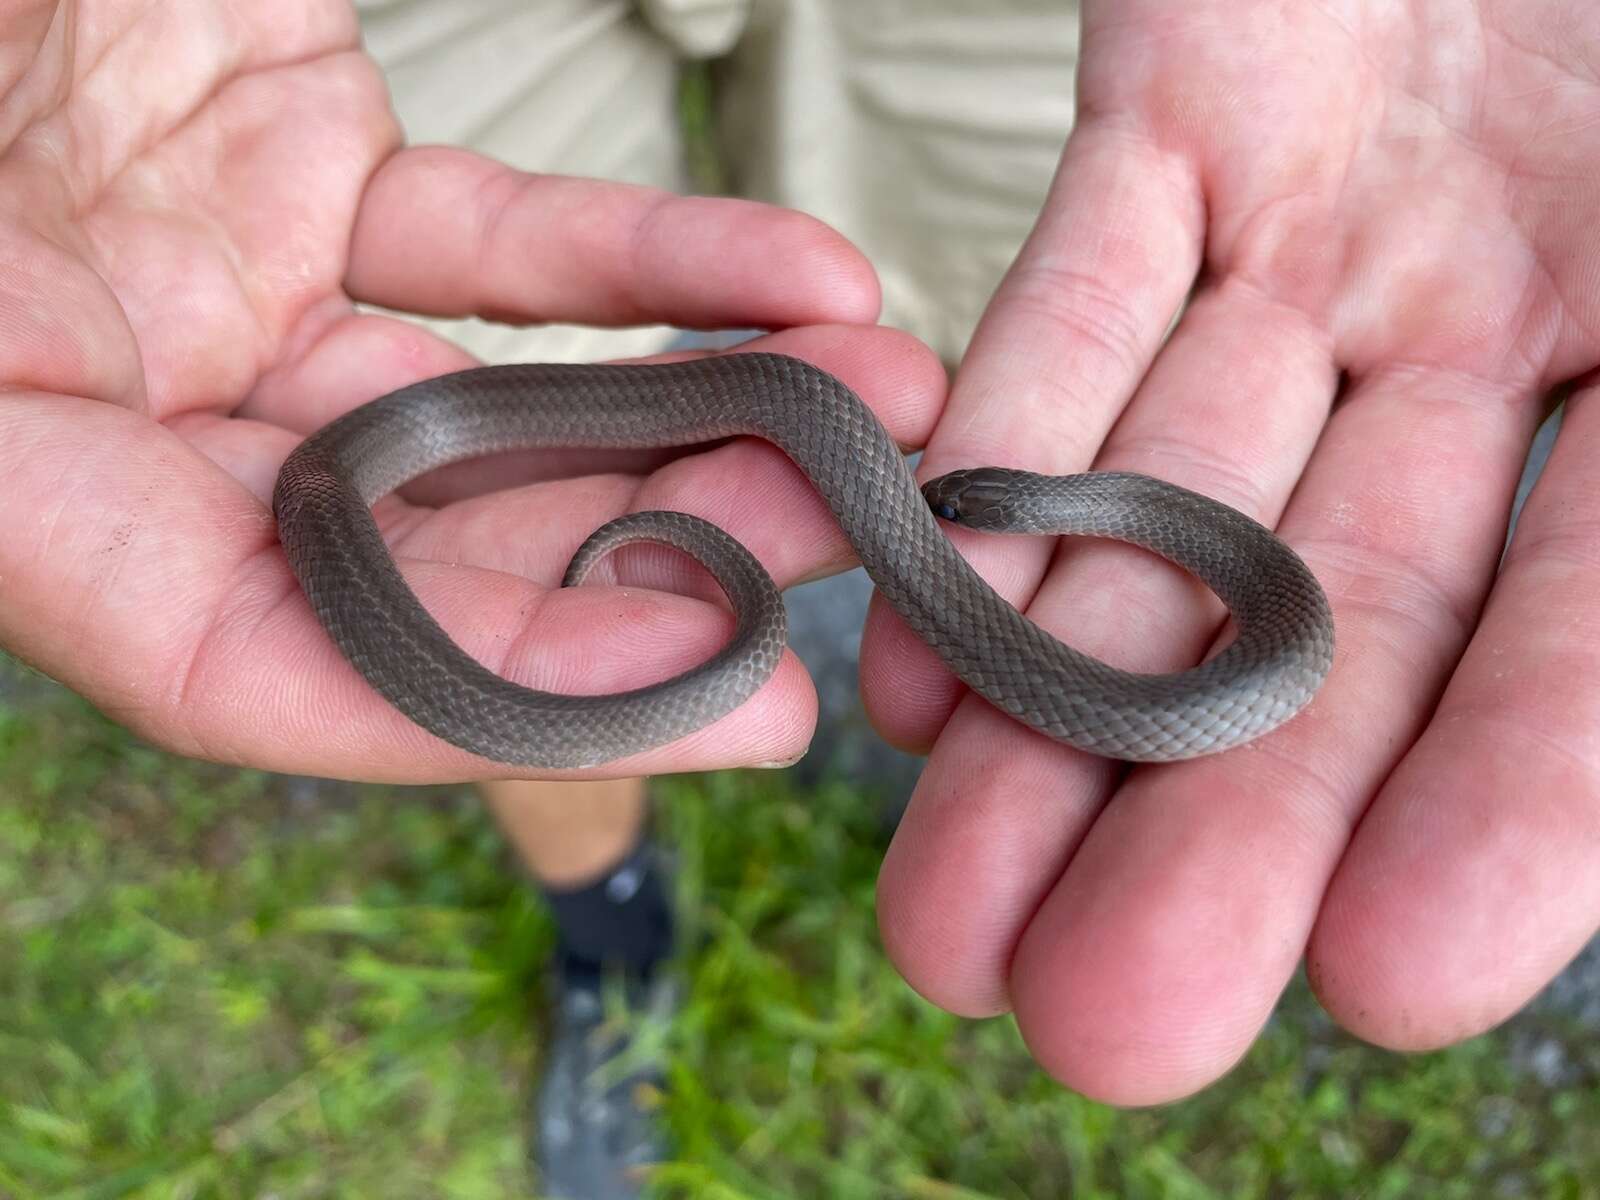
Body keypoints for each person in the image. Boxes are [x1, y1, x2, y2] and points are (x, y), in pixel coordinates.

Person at [2, 1, 1597, 1196]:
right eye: (927, 503)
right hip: (321, 38)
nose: (917, 494)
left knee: (971, 297)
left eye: (936, 502)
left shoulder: (1134, 557)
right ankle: (606, 919)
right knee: (490, 516)